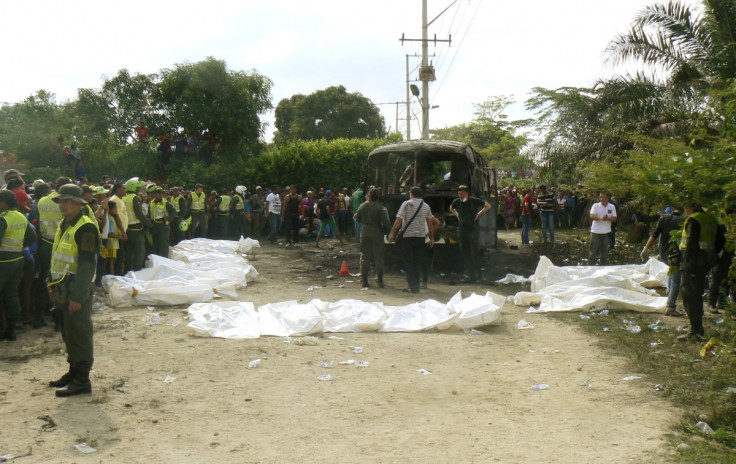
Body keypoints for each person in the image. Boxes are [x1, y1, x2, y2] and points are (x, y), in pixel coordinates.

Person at [47, 184, 99, 396]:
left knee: (80, 335)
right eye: (61, 200)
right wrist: (51, 284)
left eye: (67, 201)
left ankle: (82, 380)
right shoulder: (65, 223)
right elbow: (58, 257)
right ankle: (73, 371)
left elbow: (87, 264)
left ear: (79, 203)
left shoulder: (85, 227)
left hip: (77, 290)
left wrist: (78, 295)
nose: (62, 204)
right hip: (63, 289)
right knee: (69, 334)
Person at [677, 203, 723, 342]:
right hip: (706, 262)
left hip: (693, 263)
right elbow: (721, 241)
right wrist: (712, 258)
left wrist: (686, 266)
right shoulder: (710, 219)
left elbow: (691, 245)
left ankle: (695, 330)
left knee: (689, 294)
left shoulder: (693, 220)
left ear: (690, 207)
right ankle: (697, 328)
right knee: (696, 293)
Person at [0, 190, 37, 341]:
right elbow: (32, 237)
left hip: (3, 261)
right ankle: (11, 330)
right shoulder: (21, 216)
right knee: (11, 294)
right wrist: (19, 246)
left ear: (4, 203)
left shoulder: (3, 219)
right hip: (18, 260)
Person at [388, 186, 435, 293]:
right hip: (420, 238)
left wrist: (392, 232)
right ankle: (417, 286)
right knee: (417, 262)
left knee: (408, 261)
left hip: (408, 237)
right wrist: (432, 238)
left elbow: (399, 220)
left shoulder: (406, 204)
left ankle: (412, 285)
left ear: (411, 194)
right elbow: (430, 223)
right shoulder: (426, 206)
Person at [641, 206, 685, 317]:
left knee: (672, 270)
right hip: (676, 254)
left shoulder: (664, 219)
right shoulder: (684, 221)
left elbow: (654, 234)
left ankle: (669, 291)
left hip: (664, 253)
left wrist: (646, 248)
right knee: (676, 279)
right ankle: (670, 307)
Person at [449, 185, 491, 283]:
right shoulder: (456, 202)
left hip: (473, 229)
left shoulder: (474, 201)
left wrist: (479, 214)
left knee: (474, 253)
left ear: (467, 193)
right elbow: (451, 208)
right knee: (465, 252)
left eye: (462, 193)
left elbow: (488, 205)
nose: (460, 195)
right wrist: (457, 215)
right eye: (459, 193)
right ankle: (470, 275)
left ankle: (479, 275)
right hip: (462, 229)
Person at [354, 188, 390, 288]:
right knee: (378, 257)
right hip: (377, 232)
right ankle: (379, 280)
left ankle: (364, 280)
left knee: (365, 257)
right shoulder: (380, 208)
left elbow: (357, 217)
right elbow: (386, 222)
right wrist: (386, 231)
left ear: (368, 196)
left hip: (365, 232)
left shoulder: (362, 206)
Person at [123, 177, 149, 272]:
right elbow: (139, 213)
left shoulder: (124, 197)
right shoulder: (134, 198)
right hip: (136, 229)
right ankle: (138, 271)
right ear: (134, 188)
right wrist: (148, 223)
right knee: (139, 252)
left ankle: (128, 271)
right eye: (138, 188)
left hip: (127, 228)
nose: (139, 190)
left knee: (129, 252)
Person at [589, 192, 617, 265]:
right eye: (600, 197)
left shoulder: (612, 206)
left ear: (608, 198)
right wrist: (601, 218)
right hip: (595, 232)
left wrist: (607, 218)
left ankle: (603, 268)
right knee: (593, 252)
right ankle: (591, 267)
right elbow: (592, 216)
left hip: (606, 233)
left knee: (604, 253)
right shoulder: (595, 206)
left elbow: (615, 218)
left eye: (604, 197)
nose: (602, 199)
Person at [149, 187, 176, 257]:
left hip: (163, 226)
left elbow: (173, 212)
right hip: (154, 226)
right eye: (158, 193)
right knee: (156, 244)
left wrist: (169, 217)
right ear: (154, 194)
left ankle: (164, 260)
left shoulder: (166, 203)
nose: (160, 195)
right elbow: (150, 214)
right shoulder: (151, 203)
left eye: (162, 194)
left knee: (163, 244)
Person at [109, 183, 129, 275]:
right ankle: (117, 275)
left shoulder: (120, 200)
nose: (125, 190)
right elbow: (116, 216)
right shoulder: (114, 200)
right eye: (123, 188)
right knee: (118, 257)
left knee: (121, 256)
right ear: (118, 189)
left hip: (122, 231)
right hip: (118, 233)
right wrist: (122, 231)